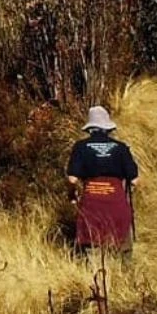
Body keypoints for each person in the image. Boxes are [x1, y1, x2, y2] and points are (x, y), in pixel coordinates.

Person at [66, 106, 140, 257]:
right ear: (108, 127)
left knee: (91, 244)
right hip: (116, 201)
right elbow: (135, 181)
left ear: (90, 128)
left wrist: (72, 196)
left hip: (92, 202)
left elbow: (72, 179)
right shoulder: (121, 148)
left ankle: (94, 276)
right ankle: (123, 278)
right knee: (121, 247)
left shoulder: (80, 147)